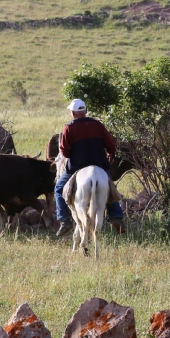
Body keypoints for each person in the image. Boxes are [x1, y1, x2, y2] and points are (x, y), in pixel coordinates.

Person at [55, 98, 125, 236]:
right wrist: (110, 155)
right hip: (99, 164)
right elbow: (111, 144)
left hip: (76, 167)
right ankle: (116, 217)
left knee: (58, 189)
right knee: (110, 189)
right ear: (85, 111)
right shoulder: (98, 125)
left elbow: (64, 151)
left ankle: (64, 220)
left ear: (73, 113)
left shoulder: (69, 127)